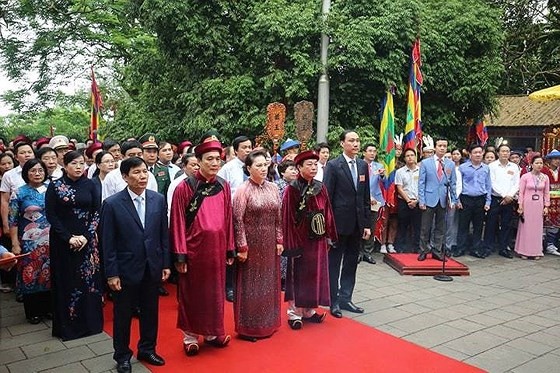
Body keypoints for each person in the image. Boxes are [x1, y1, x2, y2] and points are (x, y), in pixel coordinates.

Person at [100, 157, 170, 373]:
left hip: (152, 266)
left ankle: (147, 349)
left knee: (151, 311)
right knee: (123, 315)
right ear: (124, 177)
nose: (142, 176)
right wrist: (111, 274)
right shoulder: (112, 204)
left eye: (144, 172)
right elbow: (107, 243)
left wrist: (166, 263)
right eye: (136, 173)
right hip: (125, 268)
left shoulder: (157, 199)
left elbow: (163, 235)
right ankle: (122, 355)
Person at [169, 140, 235, 356]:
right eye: (210, 159)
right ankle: (190, 336)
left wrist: (229, 248)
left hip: (216, 250)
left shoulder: (223, 186)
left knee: (215, 293)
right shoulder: (184, 188)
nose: (215, 163)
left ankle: (213, 332)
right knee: (193, 294)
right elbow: (177, 222)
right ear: (198, 162)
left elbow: (228, 219)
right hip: (194, 252)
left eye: (218, 159)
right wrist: (180, 255)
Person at [45, 151, 103, 341]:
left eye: (81, 163)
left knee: (89, 282)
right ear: (65, 165)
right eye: (74, 164)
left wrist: (86, 236)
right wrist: (68, 237)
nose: (79, 167)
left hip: (87, 242)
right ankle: (68, 327)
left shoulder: (91, 184)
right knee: (67, 281)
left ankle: (91, 324)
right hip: (63, 242)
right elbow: (51, 215)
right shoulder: (55, 186)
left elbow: (96, 212)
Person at [282, 150, 337, 329]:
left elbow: (327, 212)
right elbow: (287, 218)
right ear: (299, 167)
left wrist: (329, 235)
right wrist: (291, 244)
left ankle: (309, 310)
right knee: (298, 276)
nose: (313, 167)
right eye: (309, 165)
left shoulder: (320, 187)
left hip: (318, 238)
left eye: (315, 164)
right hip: (300, 240)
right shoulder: (292, 189)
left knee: (314, 274)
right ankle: (294, 313)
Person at [232, 150, 283, 341]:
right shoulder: (242, 190)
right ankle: (249, 328)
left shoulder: (273, 188)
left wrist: (279, 240)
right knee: (250, 285)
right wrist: (242, 247)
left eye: (265, 165)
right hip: (251, 245)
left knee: (268, 283)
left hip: (269, 243)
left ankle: (268, 323)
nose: (263, 168)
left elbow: (278, 217)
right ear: (248, 168)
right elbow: (237, 221)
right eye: (258, 165)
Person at [324, 130, 371, 318]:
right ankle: (333, 301)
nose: (356, 144)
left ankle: (346, 297)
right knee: (334, 263)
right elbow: (326, 198)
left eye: (358, 140)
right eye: (352, 140)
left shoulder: (362, 165)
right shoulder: (334, 166)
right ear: (342, 143)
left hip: (357, 224)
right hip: (338, 224)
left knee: (352, 262)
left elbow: (365, 197)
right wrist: (329, 227)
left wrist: (367, 224)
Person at [9, 159, 51, 324]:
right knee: (30, 273)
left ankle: (49, 309)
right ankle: (33, 311)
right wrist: (14, 243)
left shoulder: (51, 190)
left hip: (51, 239)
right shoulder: (19, 193)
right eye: (33, 170)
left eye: (40, 170)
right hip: (29, 240)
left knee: (49, 273)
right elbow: (12, 220)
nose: (37, 173)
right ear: (26, 173)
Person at [218, 135, 252, 302]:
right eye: (244, 147)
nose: (248, 150)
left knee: (249, 251)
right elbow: (222, 193)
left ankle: (246, 285)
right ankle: (229, 287)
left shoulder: (254, 166)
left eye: (249, 147)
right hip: (232, 215)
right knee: (233, 251)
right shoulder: (228, 168)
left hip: (251, 217)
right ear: (236, 150)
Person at [417, 137, 457, 261]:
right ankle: (423, 250)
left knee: (440, 227)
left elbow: (453, 183)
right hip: (429, 198)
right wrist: (421, 200)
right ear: (435, 147)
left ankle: (437, 250)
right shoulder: (426, 163)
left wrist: (454, 200)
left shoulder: (450, 164)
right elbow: (421, 183)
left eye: (445, 146)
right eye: (440, 146)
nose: (442, 148)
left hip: (443, 199)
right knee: (425, 227)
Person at [455, 145, 492, 258]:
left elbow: (488, 185)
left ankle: (475, 249)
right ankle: (460, 248)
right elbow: (457, 185)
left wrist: (488, 202)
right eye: (475, 152)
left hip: (480, 199)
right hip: (466, 199)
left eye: (480, 152)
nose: (478, 154)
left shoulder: (486, 168)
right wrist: (457, 199)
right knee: (463, 225)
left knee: (478, 226)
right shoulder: (462, 167)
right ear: (470, 154)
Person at [483, 144, 520, 259]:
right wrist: (504, 195)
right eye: (503, 151)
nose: (505, 153)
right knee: (491, 224)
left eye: (507, 151)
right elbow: (492, 183)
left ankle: (503, 248)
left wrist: (509, 196)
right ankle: (488, 247)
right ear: (498, 153)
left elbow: (516, 183)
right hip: (495, 198)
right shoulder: (492, 166)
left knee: (506, 224)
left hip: (509, 200)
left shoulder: (514, 167)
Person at [515, 155, 550, 260]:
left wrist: (546, 206)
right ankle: (523, 250)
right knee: (526, 227)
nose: (539, 165)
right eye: (537, 163)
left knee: (537, 228)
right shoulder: (525, 177)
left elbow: (546, 193)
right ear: (531, 164)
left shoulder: (545, 177)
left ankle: (536, 251)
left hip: (539, 204)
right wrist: (520, 205)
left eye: (541, 163)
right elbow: (521, 192)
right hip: (527, 203)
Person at [394, 148, 421, 253]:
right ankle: (400, 248)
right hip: (404, 202)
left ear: (415, 157)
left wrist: (416, 200)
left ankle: (417, 248)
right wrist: (408, 201)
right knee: (402, 225)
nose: (410, 157)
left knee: (418, 226)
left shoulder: (421, 171)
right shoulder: (400, 172)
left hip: (418, 202)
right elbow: (399, 188)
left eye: (412, 155)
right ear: (404, 158)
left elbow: (423, 187)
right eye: (407, 156)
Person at [361, 144, 385, 261]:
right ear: (364, 153)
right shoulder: (359, 165)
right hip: (361, 199)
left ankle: (367, 252)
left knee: (371, 225)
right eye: (370, 151)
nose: (372, 153)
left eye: (374, 151)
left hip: (375, 200)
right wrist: (367, 197)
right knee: (360, 226)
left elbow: (384, 182)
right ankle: (358, 252)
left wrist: (382, 175)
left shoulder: (379, 166)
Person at [542, 149, 560, 256]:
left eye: (558, 159)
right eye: (555, 159)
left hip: (558, 201)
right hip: (547, 200)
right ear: (549, 160)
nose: (557, 161)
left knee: (556, 224)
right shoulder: (544, 171)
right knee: (545, 222)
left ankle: (551, 245)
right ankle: (542, 244)